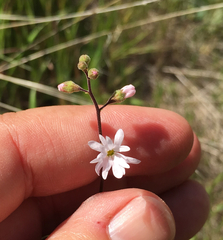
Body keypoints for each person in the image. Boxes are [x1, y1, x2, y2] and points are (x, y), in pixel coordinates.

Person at [0, 105, 209, 240]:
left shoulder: (113, 150)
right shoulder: (105, 152)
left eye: (110, 151)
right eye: (109, 151)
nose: (110, 151)